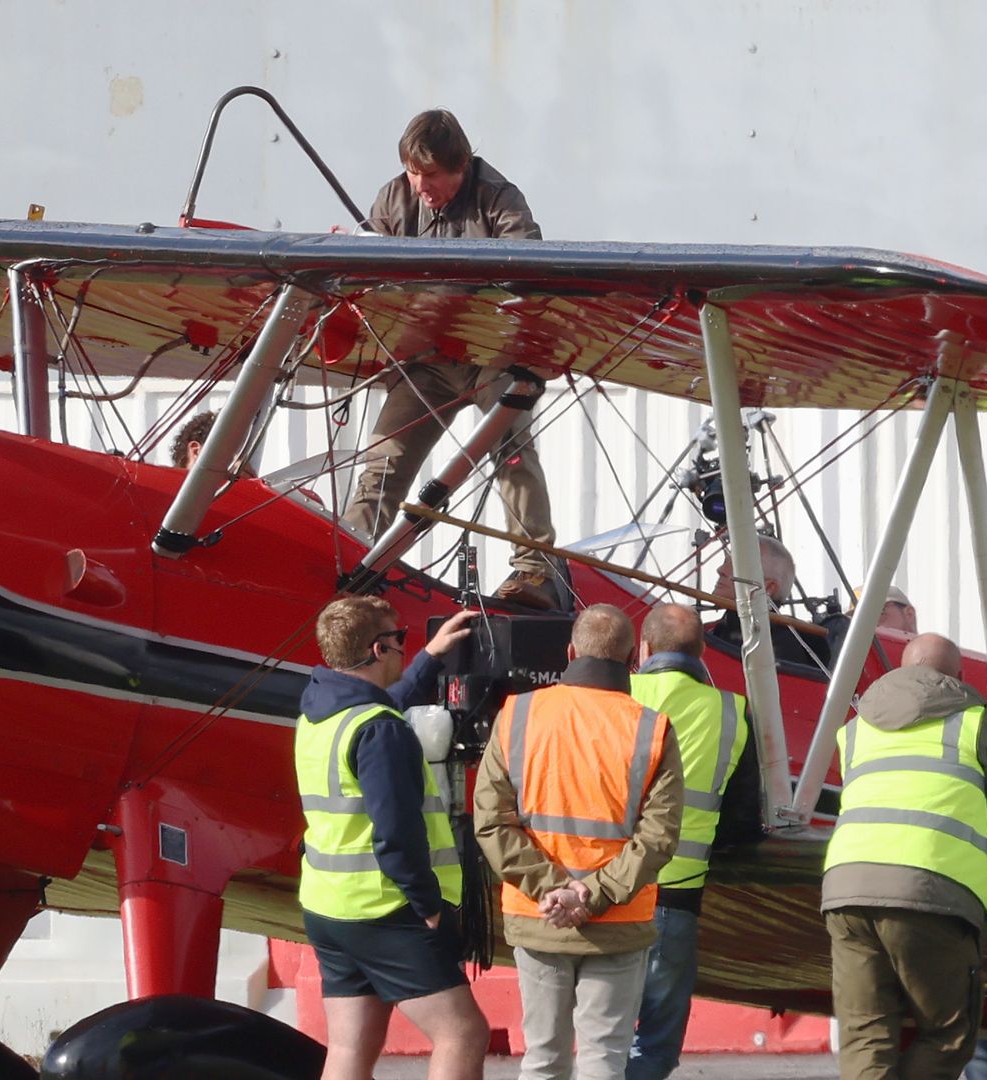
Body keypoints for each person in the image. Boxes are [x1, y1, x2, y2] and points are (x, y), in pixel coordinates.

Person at [348, 109, 558, 610]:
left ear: (461, 167)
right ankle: (355, 560)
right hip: (427, 358)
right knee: (383, 459)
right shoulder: (393, 197)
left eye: (433, 175)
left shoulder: (499, 198)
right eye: (414, 173)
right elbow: (364, 269)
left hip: (492, 352)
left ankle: (535, 573)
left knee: (509, 445)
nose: (421, 185)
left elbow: (528, 268)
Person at [475, 604, 684, 1080]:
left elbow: (491, 822)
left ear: (570, 652)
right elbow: (659, 834)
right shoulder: (651, 729)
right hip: (618, 920)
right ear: (634, 659)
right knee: (604, 1059)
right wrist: (592, 893)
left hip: (538, 914)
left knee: (544, 1058)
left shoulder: (518, 714)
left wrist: (552, 889)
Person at [295, 597, 487, 1080]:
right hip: (385, 910)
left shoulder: (320, 714)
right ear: (379, 648)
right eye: (401, 640)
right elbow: (397, 836)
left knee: (348, 1048)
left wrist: (430, 658)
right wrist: (429, 907)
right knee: (462, 1033)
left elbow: (384, 708)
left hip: (328, 908)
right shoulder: (380, 731)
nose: (406, 647)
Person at [821, 633, 987, 1079]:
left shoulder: (853, 729)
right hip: (933, 891)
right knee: (948, 1036)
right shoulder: (980, 725)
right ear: (960, 679)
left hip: (847, 889)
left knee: (867, 1035)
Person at [624, 602, 761, 1080]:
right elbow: (744, 818)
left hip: (601, 884)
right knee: (655, 1041)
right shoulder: (732, 709)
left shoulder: (616, 694)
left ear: (642, 649)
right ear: (703, 652)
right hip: (678, 892)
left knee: (603, 1034)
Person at [709, 535, 832, 668]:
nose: (721, 570)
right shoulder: (716, 631)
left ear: (768, 588)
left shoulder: (782, 647)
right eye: (726, 561)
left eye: (736, 565)